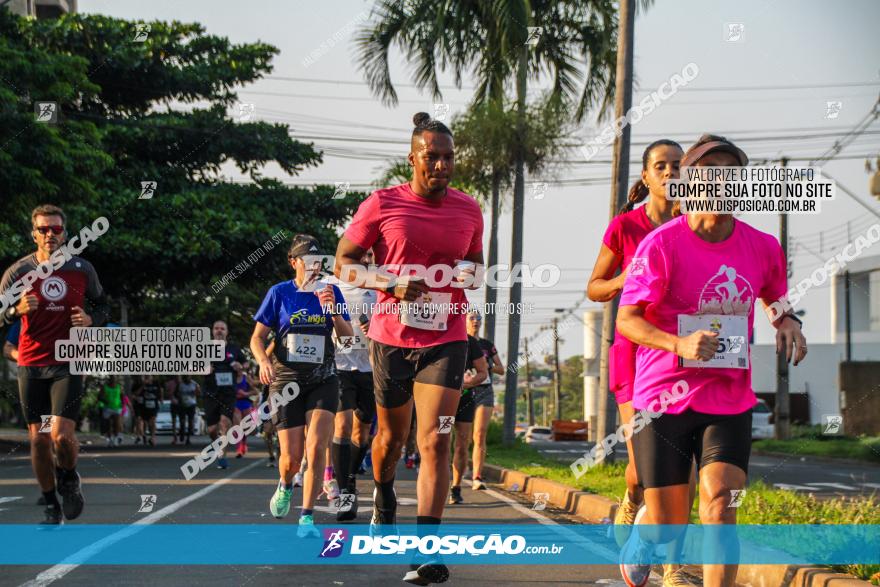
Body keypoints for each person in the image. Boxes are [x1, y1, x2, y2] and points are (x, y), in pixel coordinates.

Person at [616, 135, 807, 587]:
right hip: (663, 397)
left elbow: (773, 297)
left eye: (733, 174)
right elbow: (627, 320)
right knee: (670, 524)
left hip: (728, 397)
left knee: (722, 504)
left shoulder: (761, 246)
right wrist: (678, 345)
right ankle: (646, 535)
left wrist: (786, 321)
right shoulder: (662, 245)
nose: (723, 181)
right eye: (711, 172)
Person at [334, 112, 484, 585]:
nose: (441, 165)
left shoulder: (469, 209)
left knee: (435, 440)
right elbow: (344, 263)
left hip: (448, 336)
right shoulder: (381, 204)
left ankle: (427, 552)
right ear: (413, 158)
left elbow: (477, 267)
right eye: (431, 157)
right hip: (392, 339)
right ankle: (382, 494)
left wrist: (469, 277)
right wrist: (389, 283)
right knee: (389, 442)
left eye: (448, 157)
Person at [587, 140, 696, 584]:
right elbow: (594, 287)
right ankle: (632, 502)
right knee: (643, 471)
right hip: (634, 357)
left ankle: (673, 569)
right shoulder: (626, 227)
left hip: (684, 356)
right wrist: (622, 280)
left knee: (681, 468)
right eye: (661, 166)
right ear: (647, 177)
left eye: (678, 165)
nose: (670, 173)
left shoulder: (700, 225)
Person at [0, 204, 109, 524]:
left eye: (56, 229)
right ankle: (51, 503)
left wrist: (91, 319)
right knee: (39, 439)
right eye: (44, 229)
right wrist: (14, 311)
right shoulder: (17, 273)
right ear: (34, 233)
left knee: (61, 436)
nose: (50, 235)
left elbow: (104, 307)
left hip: (68, 362)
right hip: (32, 366)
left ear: (65, 233)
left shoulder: (81, 269)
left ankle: (70, 477)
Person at [251, 234, 352, 537]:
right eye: (307, 261)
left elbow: (347, 339)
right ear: (293, 262)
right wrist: (263, 361)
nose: (313, 267)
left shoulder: (331, 291)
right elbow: (257, 338)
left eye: (318, 261)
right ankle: (284, 484)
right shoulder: (279, 293)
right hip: (285, 380)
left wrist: (334, 311)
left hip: (323, 378)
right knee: (291, 458)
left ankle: (306, 516)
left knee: (317, 445)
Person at [330, 249, 378, 521]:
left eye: (370, 255)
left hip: (371, 367)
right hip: (340, 366)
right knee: (343, 426)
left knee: (362, 434)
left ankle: (348, 478)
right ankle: (346, 492)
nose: (367, 260)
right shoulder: (330, 285)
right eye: (362, 255)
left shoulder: (380, 283)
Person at [463, 310, 503, 490]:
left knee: (479, 434)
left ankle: (477, 476)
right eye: (471, 318)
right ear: (464, 321)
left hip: (484, 391)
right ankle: (459, 467)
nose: (475, 321)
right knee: (462, 437)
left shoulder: (487, 345)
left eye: (478, 318)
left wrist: (488, 367)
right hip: (462, 392)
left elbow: (501, 368)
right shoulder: (459, 342)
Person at [448, 333, 488, 505]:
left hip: (464, 400)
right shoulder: (437, 334)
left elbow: (483, 372)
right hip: (444, 401)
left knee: (462, 444)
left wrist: (467, 384)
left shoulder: (470, 341)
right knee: (442, 442)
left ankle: (456, 488)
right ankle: (439, 484)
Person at [204, 320, 245, 470]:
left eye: (222, 328)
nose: (219, 331)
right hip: (210, 393)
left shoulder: (234, 349)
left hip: (228, 392)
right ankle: (216, 444)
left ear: (227, 332)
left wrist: (240, 366)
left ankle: (222, 455)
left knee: (224, 423)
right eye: (216, 328)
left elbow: (245, 363)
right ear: (212, 331)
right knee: (212, 429)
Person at [233, 363, 255, 457]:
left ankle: (243, 444)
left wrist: (245, 394)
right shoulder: (231, 378)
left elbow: (255, 391)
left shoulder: (246, 378)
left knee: (245, 427)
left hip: (245, 403)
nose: (238, 371)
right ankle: (239, 449)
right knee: (237, 427)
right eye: (236, 369)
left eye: (239, 369)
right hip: (235, 403)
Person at [135, 375, 161, 447]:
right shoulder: (142, 385)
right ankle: (144, 435)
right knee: (147, 423)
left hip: (154, 406)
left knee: (153, 421)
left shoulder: (156, 383)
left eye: (149, 377)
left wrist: (161, 398)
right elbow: (136, 393)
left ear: (152, 377)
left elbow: (160, 390)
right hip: (145, 406)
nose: (147, 378)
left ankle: (153, 437)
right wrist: (143, 385)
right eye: (146, 377)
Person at [99, 376, 123, 447]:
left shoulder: (119, 387)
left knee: (117, 423)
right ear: (109, 380)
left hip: (117, 408)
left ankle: (116, 438)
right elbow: (100, 396)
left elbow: (122, 396)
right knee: (108, 424)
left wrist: (122, 404)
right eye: (112, 379)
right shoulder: (105, 387)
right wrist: (105, 400)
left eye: (114, 379)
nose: (113, 380)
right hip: (107, 408)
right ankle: (109, 439)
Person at [177, 374, 200, 445]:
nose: (188, 378)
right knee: (182, 421)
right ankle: (182, 434)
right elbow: (178, 394)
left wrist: (197, 390)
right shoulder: (181, 384)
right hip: (183, 405)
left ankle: (188, 438)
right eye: (186, 377)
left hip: (192, 405)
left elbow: (198, 394)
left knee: (190, 421)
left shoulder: (194, 384)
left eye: (189, 377)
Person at [165, 376, 180, 445]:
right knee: (173, 421)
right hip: (173, 404)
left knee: (182, 421)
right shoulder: (170, 383)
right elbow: (167, 393)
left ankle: (182, 436)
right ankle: (175, 437)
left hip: (182, 404)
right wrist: (170, 393)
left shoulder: (183, 383)